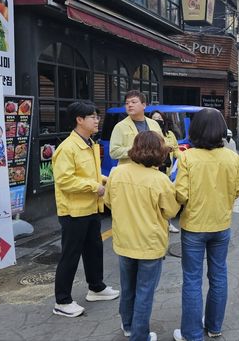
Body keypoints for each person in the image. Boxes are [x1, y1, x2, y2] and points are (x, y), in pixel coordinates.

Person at [172, 108, 239, 341]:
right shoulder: (232, 157)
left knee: (192, 279)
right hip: (221, 225)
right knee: (219, 275)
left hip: (193, 226)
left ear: (195, 130)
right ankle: (214, 327)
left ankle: (192, 334)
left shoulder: (187, 157)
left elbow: (181, 195)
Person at [105, 131, 180, 341]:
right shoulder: (160, 180)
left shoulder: (117, 173)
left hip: (124, 241)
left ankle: (128, 325)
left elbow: (109, 201)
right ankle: (139, 335)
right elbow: (171, 211)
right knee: (145, 292)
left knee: (128, 287)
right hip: (150, 244)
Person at [52, 101, 119, 318]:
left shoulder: (90, 143)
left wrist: (103, 179)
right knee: (70, 256)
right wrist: (94, 186)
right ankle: (62, 301)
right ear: (79, 120)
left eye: (96, 116)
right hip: (73, 211)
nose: (97, 120)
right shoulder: (67, 148)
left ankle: (96, 287)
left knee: (94, 249)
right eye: (92, 117)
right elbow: (64, 180)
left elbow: (87, 174)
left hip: (91, 207)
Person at [110, 90, 161, 165]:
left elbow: (161, 145)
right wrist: (137, 150)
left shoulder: (154, 124)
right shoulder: (120, 126)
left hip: (151, 169)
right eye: (127, 103)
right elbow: (114, 152)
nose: (130, 105)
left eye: (133, 102)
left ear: (144, 105)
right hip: (129, 172)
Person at [150, 111, 181, 234]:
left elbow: (177, 150)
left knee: (166, 198)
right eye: (154, 119)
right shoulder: (149, 135)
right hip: (152, 169)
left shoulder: (170, 134)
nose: (157, 121)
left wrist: (185, 158)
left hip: (166, 170)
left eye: (159, 118)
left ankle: (167, 223)